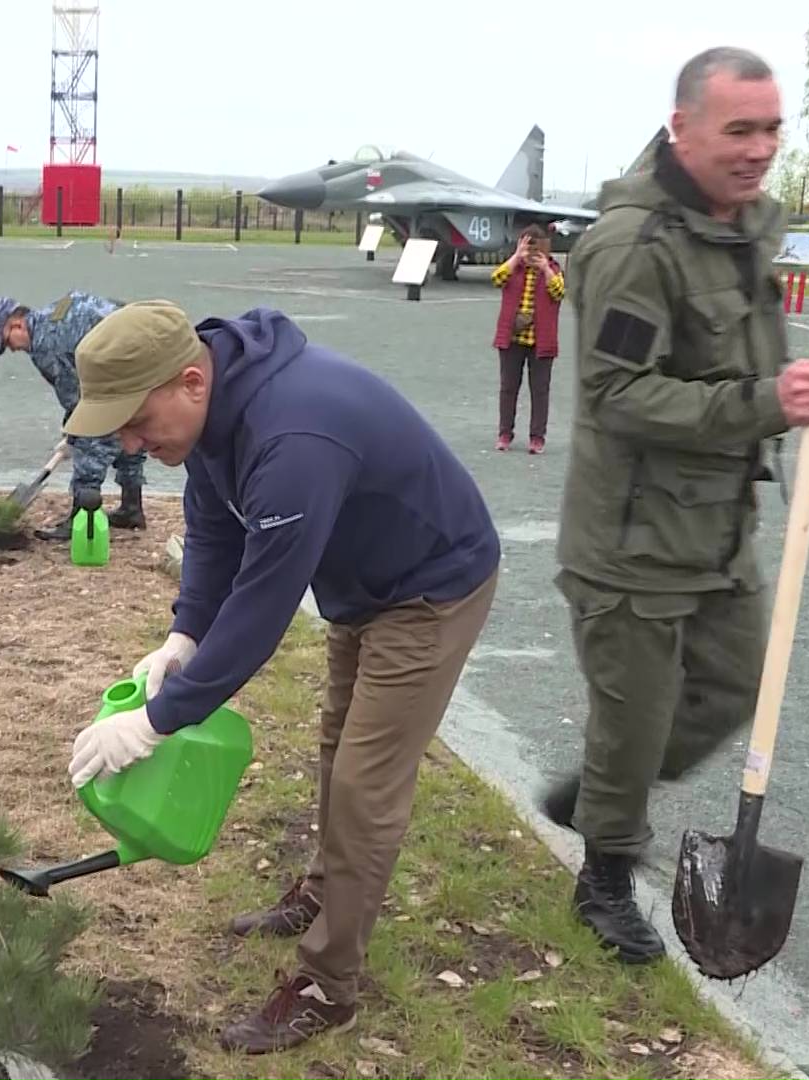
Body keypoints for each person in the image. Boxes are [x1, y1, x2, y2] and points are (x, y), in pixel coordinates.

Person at [61, 300, 501, 1054]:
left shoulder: (295, 436)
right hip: (365, 583)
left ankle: (329, 987)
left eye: (134, 421)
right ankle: (328, 889)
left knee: (367, 781)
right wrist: (185, 634)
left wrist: (157, 717)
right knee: (338, 743)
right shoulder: (211, 418)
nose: (129, 443)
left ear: (191, 380)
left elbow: (263, 608)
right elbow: (212, 528)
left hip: (431, 584)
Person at [539, 47, 809, 965]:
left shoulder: (746, 226)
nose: (759, 150)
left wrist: (776, 395)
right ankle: (603, 875)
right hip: (631, 540)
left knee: (738, 683)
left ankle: (602, 794)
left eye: (771, 128)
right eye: (738, 129)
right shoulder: (634, 246)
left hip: (719, 531)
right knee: (633, 722)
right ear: (683, 128)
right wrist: (768, 402)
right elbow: (618, 396)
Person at [0, 293, 148, 538]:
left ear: (17, 324)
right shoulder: (56, 313)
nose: (12, 349)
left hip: (115, 380)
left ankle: (79, 520)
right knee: (129, 438)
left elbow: (76, 395)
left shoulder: (44, 342)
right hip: (140, 367)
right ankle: (132, 509)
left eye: (8, 342)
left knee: (91, 444)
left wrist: (74, 431)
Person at [490, 225, 566, 453]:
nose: (532, 252)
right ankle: (505, 433)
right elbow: (497, 278)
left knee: (540, 390)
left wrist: (545, 268)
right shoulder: (513, 268)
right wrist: (516, 257)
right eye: (527, 245)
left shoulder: (553, 268)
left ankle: (537, 437)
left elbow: (559, 292)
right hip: (512, 338)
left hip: (541, 341)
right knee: (508, 388)